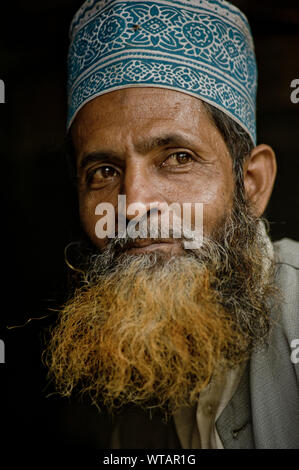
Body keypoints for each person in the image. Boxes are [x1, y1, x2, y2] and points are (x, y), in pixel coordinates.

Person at [44, 0, 299, 449]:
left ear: (252, 184)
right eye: (103, 171)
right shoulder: (130, 359)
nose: (135, 203)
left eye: (178, 158)